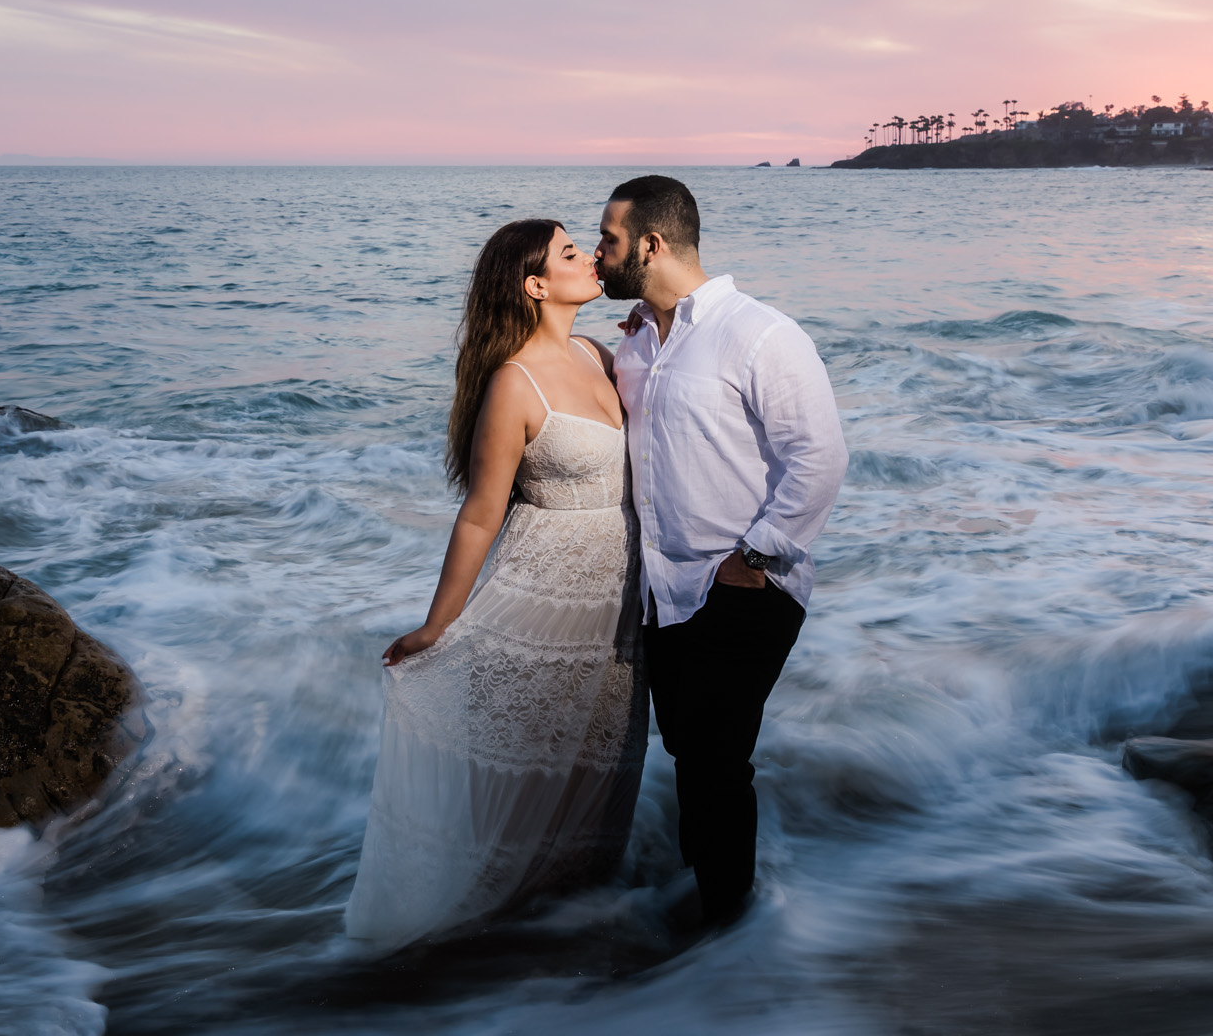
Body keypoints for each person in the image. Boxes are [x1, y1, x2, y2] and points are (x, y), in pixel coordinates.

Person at [344, 219, 646, 951]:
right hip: (544, 599)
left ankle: (581, 929)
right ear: (536, 284)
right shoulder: (514, 381)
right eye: (570, 253)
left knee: (602, 770)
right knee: (538, 775)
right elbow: (481, 515)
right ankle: (502, 939)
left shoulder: (601, 352)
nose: (589, 258)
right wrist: (435, 626)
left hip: (619, 604)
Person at [594, 175, 846, 925]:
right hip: (662, 596)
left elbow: (820, 457)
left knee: (715, 761)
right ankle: (705, 912)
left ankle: (726, 927)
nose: (601, 252)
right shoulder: (635, 343)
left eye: (609, 239)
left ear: (652, 243)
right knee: (692, 756)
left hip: (741, 586)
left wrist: (756, 560)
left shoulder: (760, 333)